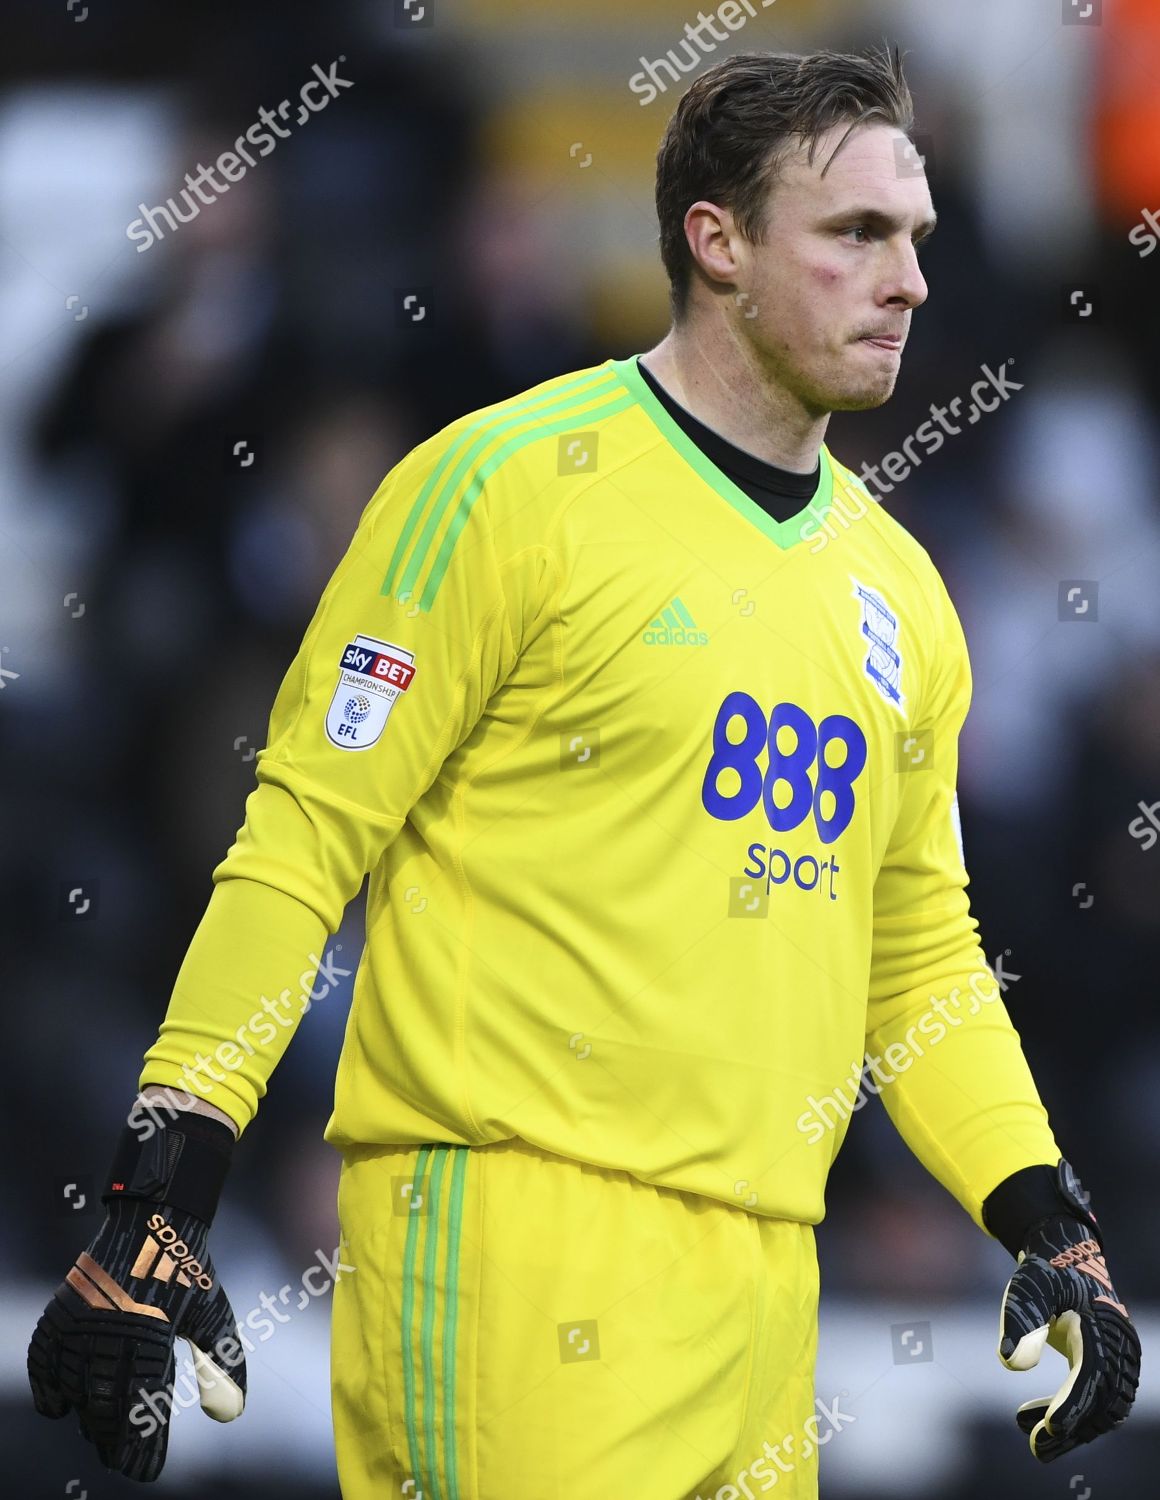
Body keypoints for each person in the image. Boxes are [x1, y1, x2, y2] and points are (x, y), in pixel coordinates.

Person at [27, 45, 1140, 1500]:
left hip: (759, 1282)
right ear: (717, 241)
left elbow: (918, 956)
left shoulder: (904, 597)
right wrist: (161, 1183)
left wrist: (1046, 1217)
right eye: (858, 233)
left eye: (916, 237)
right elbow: (302, 841)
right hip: (505, 1241)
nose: (912, 281)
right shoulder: (496, 488)